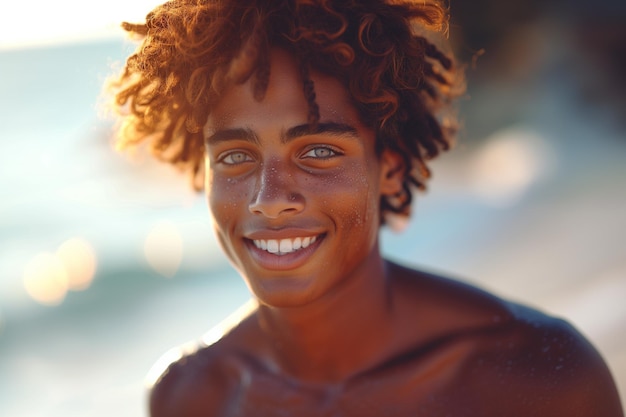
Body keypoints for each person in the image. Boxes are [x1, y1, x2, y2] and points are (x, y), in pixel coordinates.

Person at [106, 0, 624, 416]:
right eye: (236, 157)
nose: (268, 198)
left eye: (318, 152)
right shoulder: (192, 396)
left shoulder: (533, 377)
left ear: (390, 168)